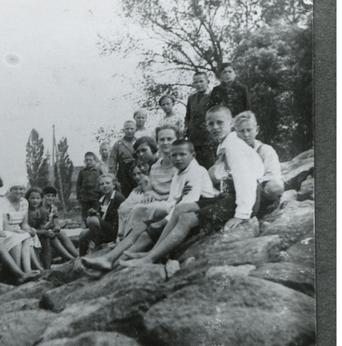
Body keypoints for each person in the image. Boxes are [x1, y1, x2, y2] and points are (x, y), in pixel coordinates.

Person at [105, 106, 264, 268]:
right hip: (228, 197)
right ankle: (154, 251)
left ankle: (150, 258)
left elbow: (246, 180)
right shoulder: (225, 144)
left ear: (231, 123)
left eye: (220, 123)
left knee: (186, 218)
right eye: (211, 124)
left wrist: (242, 214)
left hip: (241, 201)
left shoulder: (233, 146)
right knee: (182, 208)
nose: (215, 127)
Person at [82, 140, 219, 271]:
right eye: (174, 155)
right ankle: (109, 259)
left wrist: (161, 222)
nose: (177, 158)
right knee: (139, 227)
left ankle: (119, 263)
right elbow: (173, 201)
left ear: (192, 155)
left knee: (151, 229)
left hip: (196, 215)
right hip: (177, 212)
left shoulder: (196, 171)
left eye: (182, 154)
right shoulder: (179, 173)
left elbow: (187, 204)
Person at [0, 172, 41, 284]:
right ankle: (18, 275)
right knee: (17, 238)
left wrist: (17, 230)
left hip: (0, 233)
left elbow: (4, 223)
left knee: (24, 236)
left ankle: (26, 271)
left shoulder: (2, 201)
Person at [233, 111, 284, 215]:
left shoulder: (265, 150)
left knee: (276, 185)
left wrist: (253, 182)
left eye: (249, 130)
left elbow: (273, 174)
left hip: (259, 191)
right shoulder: (233, 152)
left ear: (257, 130)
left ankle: (266, 209)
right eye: (241, 131)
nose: (246, 135)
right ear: (236, 133)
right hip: (238, 192)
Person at [27, 186, 79, 268]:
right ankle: (70, 258)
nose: (50, 198)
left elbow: (55, 224)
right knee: (52, 237)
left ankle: (77, 255)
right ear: (43, 197)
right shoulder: (38, 206)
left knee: (61, 233)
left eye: (52, 196)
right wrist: (48, 231)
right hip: (39, 231)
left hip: (47, 229)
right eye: (48, 196)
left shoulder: (53, 208)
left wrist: (56, 228)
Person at [78, 174, 125, 256]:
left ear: (114, 185)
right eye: (102, 184)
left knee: (91, 220)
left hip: (115, 231)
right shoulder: (102, 199)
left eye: (107, 183)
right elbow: (102, 217)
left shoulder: (117, 198)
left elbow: (118, 218)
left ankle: (97, 246)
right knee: (83, 233)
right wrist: (95, 213)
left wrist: (96, 218)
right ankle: (81, 257)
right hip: (105, 229)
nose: (104, 186)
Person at [5, 182, 44, 271]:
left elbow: (24, 224)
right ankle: (20, 270)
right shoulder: (4, 202)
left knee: (29, 235)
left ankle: (29, 269)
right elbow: (4, 226)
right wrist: (18, 231)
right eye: (15, 189)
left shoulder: (24, 202)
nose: (18, 191)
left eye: (21, 189)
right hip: (6, 230)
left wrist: (30, 229)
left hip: (18, 229)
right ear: (10, 190)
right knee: (21, 238)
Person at [185, 71, 215, 169]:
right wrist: (187, 129)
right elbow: (188, 116)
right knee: (195, 168)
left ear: (208, 81)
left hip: (208, 139)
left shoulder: (213, 97)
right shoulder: (191, 98)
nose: (198, 84)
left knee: (210, 168)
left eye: (201, 81)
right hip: (193, 139)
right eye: (195, 82)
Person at [116, 159, 151, 241]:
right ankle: (121, 238)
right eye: (134, 175)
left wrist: (143, 184)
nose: (137, 177)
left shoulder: (148, 181)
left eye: (139, 173)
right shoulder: (136, 189)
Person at [109, 120, 137, 198]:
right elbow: (112, 161)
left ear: (135, 129)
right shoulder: (118, 144)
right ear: (123, 130)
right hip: (123, 172)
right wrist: (112, 176)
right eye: (127, 129)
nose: (129, 131)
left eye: (131, 128)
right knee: (124, 193)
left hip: (136, 170)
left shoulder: (138, 142)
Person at [76, 152, 102, 224]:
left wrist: (101, 196)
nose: (89, 162)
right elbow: (78, 185)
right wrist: (79, 197)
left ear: (94, 161)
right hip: (85, 198)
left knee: (95, 214)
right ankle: (87, 228)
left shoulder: (98, 171)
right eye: (87, 160)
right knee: (85, 215)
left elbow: (101, 183)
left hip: (95, 197)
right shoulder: (82, 172)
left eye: (90, 160)